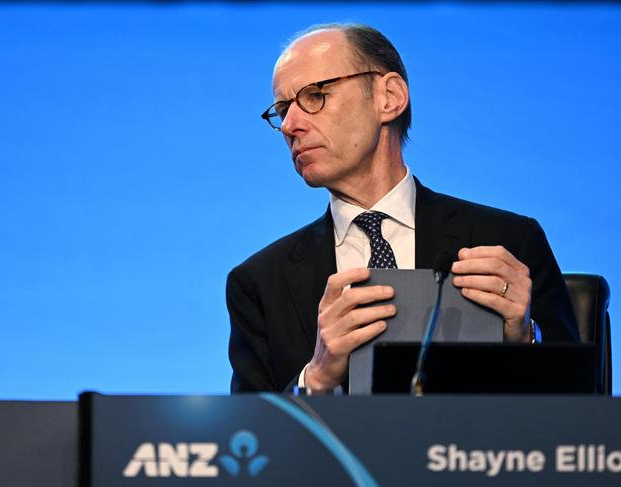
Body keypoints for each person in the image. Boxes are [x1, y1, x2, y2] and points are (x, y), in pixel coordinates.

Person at [227, 23, 579, 394]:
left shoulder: (510, 241)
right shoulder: (259, 283)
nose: (291, 125)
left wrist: (524, 339)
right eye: (283, 109)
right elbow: (253, 440)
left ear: (389, 96)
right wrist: (316, 378)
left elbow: (584, 419)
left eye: (315, 95)